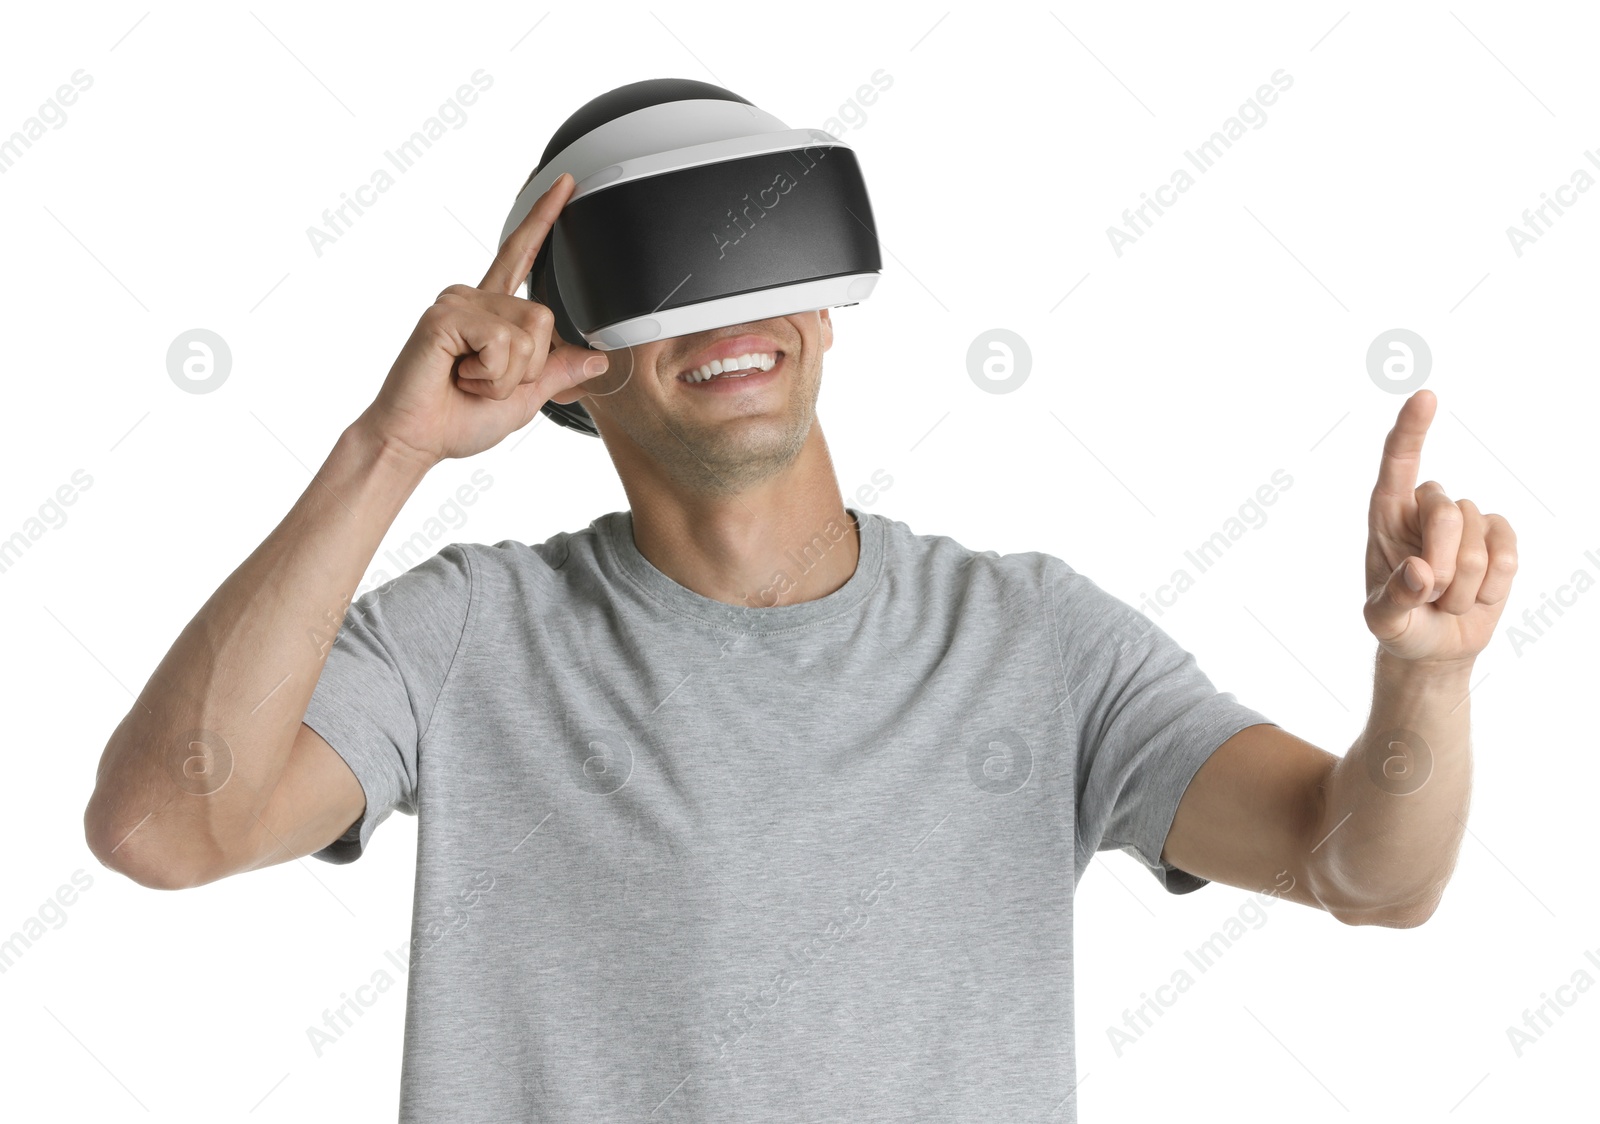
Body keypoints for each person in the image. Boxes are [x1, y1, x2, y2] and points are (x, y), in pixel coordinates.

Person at [82, 83, 1517, 1122]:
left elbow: (1370, 876)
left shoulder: (1034, 643)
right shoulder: (465, 641)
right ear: (568, 353)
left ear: (828, 304)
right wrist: (388, 451)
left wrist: (1427, 680)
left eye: (766, 251)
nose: (729, 316)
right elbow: (160, 827)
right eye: (665, 280)